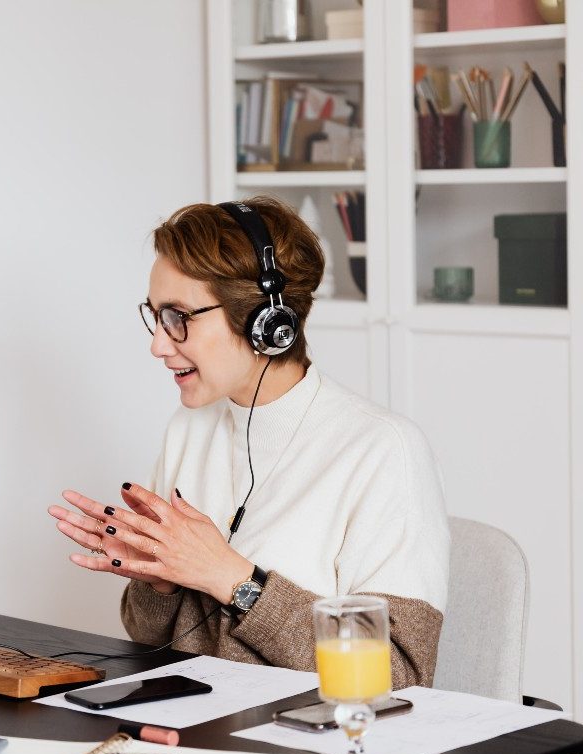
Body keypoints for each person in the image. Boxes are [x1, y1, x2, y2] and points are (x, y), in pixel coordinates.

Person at [48, 196, 449, 689]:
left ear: (265, 322)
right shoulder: (188, 429)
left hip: (313, 750)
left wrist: (233, 579)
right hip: (194, 733)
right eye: (154, 316)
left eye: (179, 318)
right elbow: (149, 639)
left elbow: (400, 676)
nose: (157, 343)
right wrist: (160, 582)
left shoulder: (382, 450)